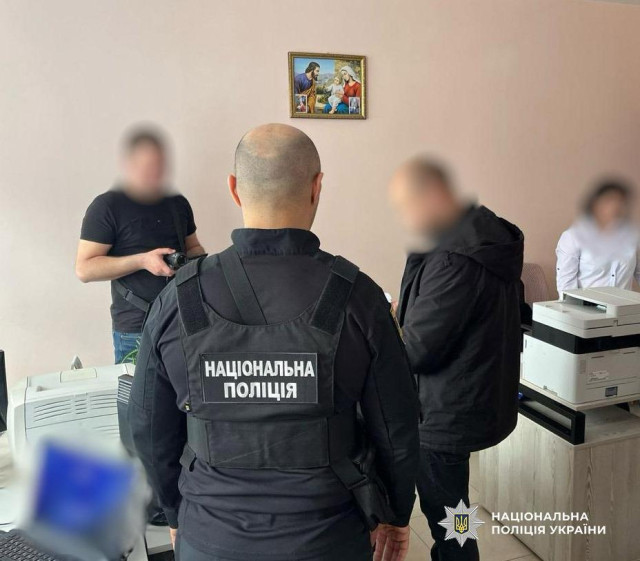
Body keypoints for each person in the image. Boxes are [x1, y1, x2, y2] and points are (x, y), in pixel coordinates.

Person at [128, 123, 420, 561]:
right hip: (328, 540)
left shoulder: (179, 300)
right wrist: (395, 514)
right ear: (317, 187)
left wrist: (175, 514)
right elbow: (397, 427)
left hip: (210, 538)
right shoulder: (357, 297)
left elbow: (149, 429)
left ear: (234, 188)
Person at [389, 157, 524, 561]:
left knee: (450, 524)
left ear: (434, 196)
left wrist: (386, 332)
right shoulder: (478, 235)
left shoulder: (455, 259)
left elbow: (418, 349)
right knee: (456, 510)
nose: (406, 217)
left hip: (444, 413)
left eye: (408, 206)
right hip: (465, 400)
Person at [76, 127, 205, 364]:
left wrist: (199, 263)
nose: (154, 173)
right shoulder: (106, 207)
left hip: (181, 321)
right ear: (129, 164)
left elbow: (193, 247)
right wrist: (142, 261)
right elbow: (85, 269)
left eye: (159, 165)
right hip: (134, 329)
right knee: (134, 389)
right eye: (147, 166)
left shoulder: (178, 203)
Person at [556, 179, 639, 293]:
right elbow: (566, 286)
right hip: (585, 304)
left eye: (621, 202)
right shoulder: (573, 237)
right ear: (595, 204)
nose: (616, 206)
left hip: (623, 303)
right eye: (609, 201)